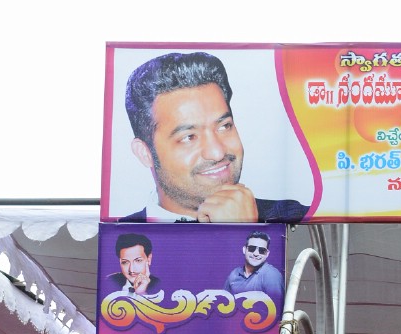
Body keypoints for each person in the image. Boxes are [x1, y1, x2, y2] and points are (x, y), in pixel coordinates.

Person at [121, 50, 308, 224]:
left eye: (224, 126)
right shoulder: (116, 236)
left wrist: (247, 231)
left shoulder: (299, 219)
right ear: (145, 153)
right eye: (189, 137)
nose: (217, 153)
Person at [224, 230, 285, 301]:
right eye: (252, 248)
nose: (256, 253)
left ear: (267, 254)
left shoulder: (271, 275)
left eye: (262, 250)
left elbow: (277, 309)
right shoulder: (234, 274)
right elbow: (223, 302)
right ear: (244, 249)